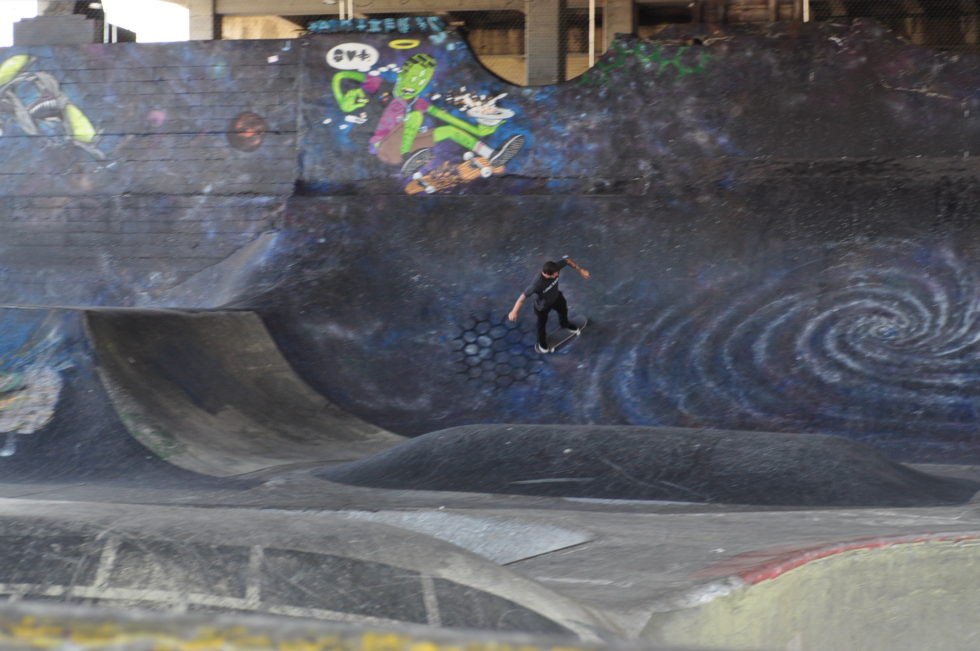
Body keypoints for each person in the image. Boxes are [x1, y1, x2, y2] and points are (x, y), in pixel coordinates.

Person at [508, 257, 591, 353]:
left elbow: (568, 260)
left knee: (564, 311)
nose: (557, 274)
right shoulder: (537, 284)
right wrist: (514, 311)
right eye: (555, 274)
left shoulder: (555, 268)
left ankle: (565, 324)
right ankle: (541, 343)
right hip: (543, 307)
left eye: (557, 272)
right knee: (541, 326)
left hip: (556, 298)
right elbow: (522, 297)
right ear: (547, 275)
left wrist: (580, 270)